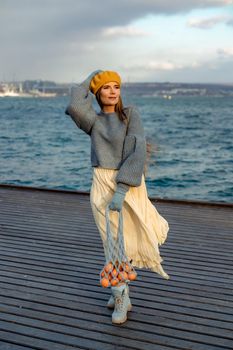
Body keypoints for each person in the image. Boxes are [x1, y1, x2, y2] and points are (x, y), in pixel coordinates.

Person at [65, 70, 169, 325]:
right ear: (98, 92)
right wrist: (90, 78)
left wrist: (122, 189)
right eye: (105, 87)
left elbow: (136, 150)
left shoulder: (130, 115)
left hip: (127, 183)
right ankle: (121, 292)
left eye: (116, 86)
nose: (112, 91)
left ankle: (120, 293)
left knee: (127, 239)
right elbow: (74, 104)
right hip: (100, 182)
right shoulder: (93, 120)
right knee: (109, 240)